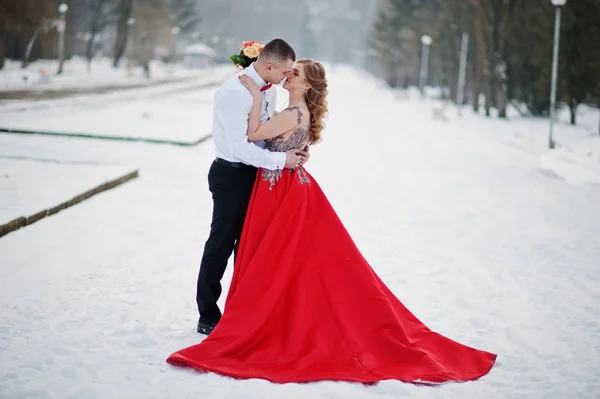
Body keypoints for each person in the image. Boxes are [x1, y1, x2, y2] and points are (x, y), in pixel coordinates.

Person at [170, 59, 497, 385]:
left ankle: (267, 319)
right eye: (289, 69)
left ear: (307, 86)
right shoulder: (294, 111)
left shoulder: (292, 113)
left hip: (279, 190)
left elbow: (254, 132)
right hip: (281, 186)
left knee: (276, 260)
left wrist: (256, 97)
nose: (288, 75)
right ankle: (271, 314)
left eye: (294, 74)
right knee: (284, 261)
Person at [195, 38, 308, 335]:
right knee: (221, 243)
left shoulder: (265, 90)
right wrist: (281, 160)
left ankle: (243, 310)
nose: (287, 77)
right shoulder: (235, 93)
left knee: (248, 247)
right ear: (268, 66)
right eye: (285, 72)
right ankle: (207, 314)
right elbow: (239, 147)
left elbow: (264, 130)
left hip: (256, 175)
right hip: (231, 175)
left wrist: (293, 147)